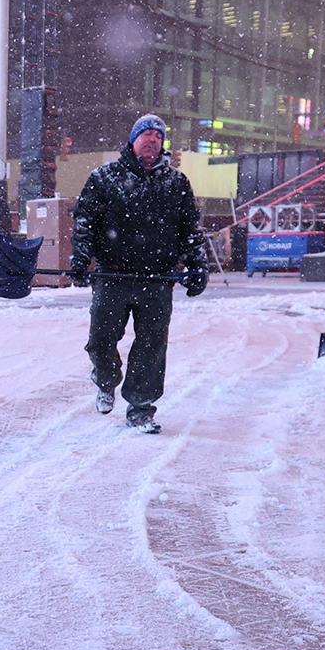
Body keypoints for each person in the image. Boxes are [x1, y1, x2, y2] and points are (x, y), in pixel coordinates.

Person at [68, 114, 207, 432]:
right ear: (133, 140)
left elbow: (190, 229)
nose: (152, 140)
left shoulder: (176, 183)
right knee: (100, 340)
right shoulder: (104, 177)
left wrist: (197, 265)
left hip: (157, 278)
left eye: (158, 136)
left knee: (151, 346)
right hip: (112, 275)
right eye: (146, 134)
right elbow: (85, 221)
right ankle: (106, 379)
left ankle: (141, 409)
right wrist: (81, 258)